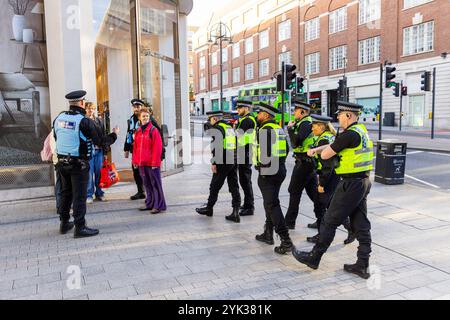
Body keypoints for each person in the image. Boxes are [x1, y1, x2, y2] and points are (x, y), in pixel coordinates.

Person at [292, 101, 374, 279]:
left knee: (329, 220)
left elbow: (327, 154)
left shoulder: (349, 134)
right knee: (361, 223)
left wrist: (319, 151)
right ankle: (362, 264)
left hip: (350, 184)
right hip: (363, 182)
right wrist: (316, 149)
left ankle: (314, 258)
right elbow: (335, 146)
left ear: (349, 115)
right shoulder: (360, 131)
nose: (337, 117)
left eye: (340, 114)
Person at [53, 90, 119, 238]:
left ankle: (64, 223)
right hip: (78, 164)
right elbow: (101, 142)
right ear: (82, 103)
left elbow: (57, 137)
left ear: (70, 103)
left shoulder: (58, 118)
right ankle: (80, 227)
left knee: (65, 193)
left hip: (62, 164)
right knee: (79, 196)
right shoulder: (84, 121)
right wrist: (114, 134)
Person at [305, 114, 354, 245]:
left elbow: (328, 165)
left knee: (323, 206)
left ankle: (323, 235)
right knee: (328, 206)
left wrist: (322, 183)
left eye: (314, 126)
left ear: (321, 126)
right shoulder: (327, 137)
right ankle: (349, 229)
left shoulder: (323, 140)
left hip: (329, 178)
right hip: (333, 176)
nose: (312, 129)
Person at [254, 102, 293, 255]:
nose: (257, 116)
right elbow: (287, 149)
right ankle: (268, 233)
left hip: (268, 171)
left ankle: (286, 240)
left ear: (265, 115)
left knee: (272, 204)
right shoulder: (278, 128)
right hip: (279, 169)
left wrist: (263, 168)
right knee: (269, 203)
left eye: (259, 113)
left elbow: (264, 154)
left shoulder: (264, 129)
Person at [195, 111, 241, 223]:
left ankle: (209, 208)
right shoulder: (229, 128)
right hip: (233, 160)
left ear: (214, 119)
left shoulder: (218, 129)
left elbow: (217, 147)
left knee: (214, 186)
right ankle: (236, 212)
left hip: (223, 161)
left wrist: (214, 162)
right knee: (234, 186)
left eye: (210, 119)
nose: (209, 122)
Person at [284, 99, 321, 230]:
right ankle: (322, 219)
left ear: (302, 111)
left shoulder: (305, 123)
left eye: (295, 110)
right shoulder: (302, 123)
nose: (294, 112)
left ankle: (289, 221)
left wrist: (289, 129)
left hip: (305, 163)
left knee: (294, 190)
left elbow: (296, 142)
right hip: (306, 162)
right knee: (313, 193)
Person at [132, 107, 167, 213]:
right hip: (142, 163)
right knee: (147, 184)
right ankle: (150, 203)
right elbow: (136, 148)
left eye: (147, 116)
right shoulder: (138, 131)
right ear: (140, 118)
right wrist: (135, 161)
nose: (145, 118)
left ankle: (159, 205)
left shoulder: (154, 130)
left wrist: (155, 163)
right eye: (143, 116)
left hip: (152, 164)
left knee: (156, 184)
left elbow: (158, 148)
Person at [235, 100, 257, 216]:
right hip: (243, 152)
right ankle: (248, 203)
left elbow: (238, 135)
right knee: (244, 180)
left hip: (246, 153)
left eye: (240, 108)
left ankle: (250, 207)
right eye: (237, 108)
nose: (238, 110)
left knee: (245, 180)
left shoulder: (247, 120)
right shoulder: (244, 120)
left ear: (247, 108)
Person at [85, 102, 108, 203]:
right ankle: (89, 194)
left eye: (93, 108)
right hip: (89, 152)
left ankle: (99, 193)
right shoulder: (83, 121)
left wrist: (105, 152)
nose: (91, 110)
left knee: (99, 173)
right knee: (89, 174)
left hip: (99, 151)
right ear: (85, 109)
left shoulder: (99, 121)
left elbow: (104, 136)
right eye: (89, 108)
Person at [125, 99, 145, 200]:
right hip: (135, 150)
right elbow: (128, 134)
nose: (136, 108)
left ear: (142, 107)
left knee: (145, 171)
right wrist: (126, 149)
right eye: (135, 107)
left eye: (138, 106)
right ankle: (140, 191)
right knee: (136, 171)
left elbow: (156, 133)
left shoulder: (146, 118)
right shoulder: (131, 119)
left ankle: (148, 192)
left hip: (144, 150)